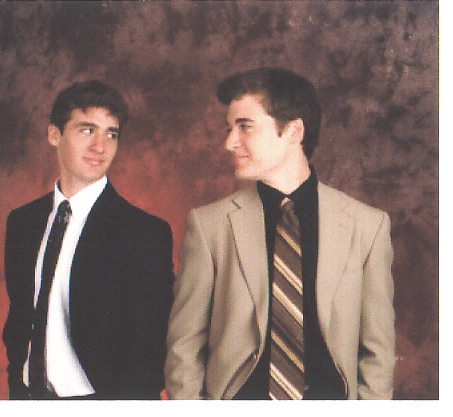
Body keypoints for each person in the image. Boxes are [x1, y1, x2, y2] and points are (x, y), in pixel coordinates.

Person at [164, 67, 395, 400]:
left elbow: (379, 353)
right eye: (229, 129)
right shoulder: (209, 225)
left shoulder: (368, 226)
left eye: (244, 126)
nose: (229, 143)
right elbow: (184, 344)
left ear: (294, 131)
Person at [3, 80, 174, 400]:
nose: (100, 146)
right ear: (54, 134)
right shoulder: (23, 222)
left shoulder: (143, 232)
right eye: (87, 130)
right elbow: (20, 320)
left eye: (111, 134)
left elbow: (149, 351)